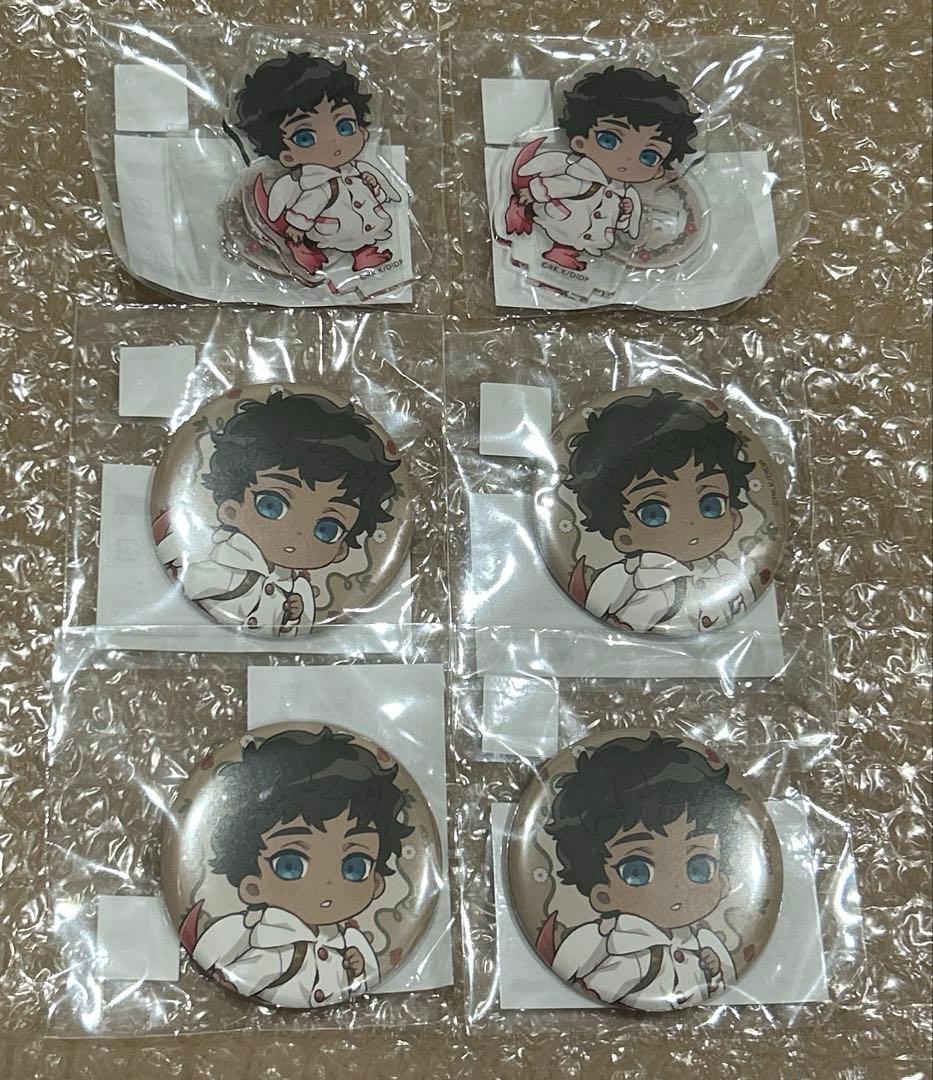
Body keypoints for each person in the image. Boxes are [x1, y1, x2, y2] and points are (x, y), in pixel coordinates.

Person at [180, 727, 414, 1008]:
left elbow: (365, 978)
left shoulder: (349, 941)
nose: (327, 884)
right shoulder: (267, 942)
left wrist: (358, 967)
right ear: (252, 886)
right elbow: (245, 974)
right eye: (290, 865)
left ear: (376, 883)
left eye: (354, 867)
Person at [154, 389, 399, 636]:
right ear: (230, 509)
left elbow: (295, 629)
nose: (296, 534)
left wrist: (293, 616)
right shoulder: (221, 560)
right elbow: (185, 577)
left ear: (340, 550)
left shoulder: (295, 587)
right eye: (271, 505)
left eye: (326, 529)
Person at [542, 733, 744, 1009]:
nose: (676, 887)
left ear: (723, 881)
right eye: (637, 871)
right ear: (602, 895)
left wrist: (714, 972)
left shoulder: (705, 944)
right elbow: (579, 983)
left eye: (699, 867)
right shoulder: (611, 946)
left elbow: (721, 990)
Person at [565, 390, 756, 633]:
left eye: (710, 505)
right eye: (654, 514)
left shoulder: (729, 573)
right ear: (625, 537)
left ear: (734, 515)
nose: (689, 524)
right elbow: (630, 622)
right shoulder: (652, 589)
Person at [505, 66, 699, 269]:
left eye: (648, 156)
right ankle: (546, 237)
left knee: (578, 239)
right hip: (566, 219)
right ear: (579, 142)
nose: (626, 160)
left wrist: (626, 212)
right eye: (609, 140)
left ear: (658, 170)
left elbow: (620, 223)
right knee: (565, 232)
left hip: (592, 232)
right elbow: (561, 185)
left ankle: (563, 252)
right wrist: (533, 193)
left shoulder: (624, 192)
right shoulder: (583, 175)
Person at [234, 53, 401, 275]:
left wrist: (374, 186)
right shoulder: (319, 184)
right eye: (305, 138)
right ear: (287, 156)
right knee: (346, 236)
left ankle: (364, 254)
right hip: (334, 229)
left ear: (362, 130)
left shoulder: (357, 170)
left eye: (344, 126)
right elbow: (310, 204)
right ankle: (309, 250)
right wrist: (298, 227)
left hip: (361, 222)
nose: (332, 141)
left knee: (363, 235)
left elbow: (372, 196)